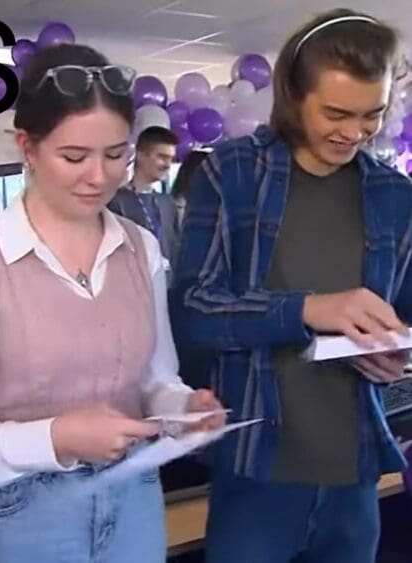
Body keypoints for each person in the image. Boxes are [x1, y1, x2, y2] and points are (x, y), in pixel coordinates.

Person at [0, 44, 225, 563]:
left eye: (115, 155)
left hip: (133, 499)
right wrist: (57, 438)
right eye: (74, 157)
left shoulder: (140, 246)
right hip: (22, 514)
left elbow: (155, 381)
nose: (98, 177)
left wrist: (183, 410)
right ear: (27, 147)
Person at [170, 9, 412, 563]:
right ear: (293, 95)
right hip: (256, 474)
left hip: (355, 476)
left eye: (371, 115)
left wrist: (392, 351)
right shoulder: (230, 173)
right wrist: (308, 309)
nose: (354, 133)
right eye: (336, 113)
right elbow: (193, 311)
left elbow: (402, 312)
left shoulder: (395, 195)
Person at [107, 126, 179, 261]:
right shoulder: (115, 201)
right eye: (162, 157)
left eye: (171, 159)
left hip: (168, 279)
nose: (168, 165)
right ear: (141, 155)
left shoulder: (168, 202)